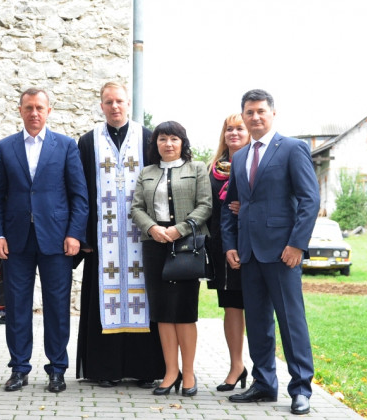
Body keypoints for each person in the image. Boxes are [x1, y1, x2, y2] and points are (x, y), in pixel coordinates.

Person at [221, 89, 319, 415]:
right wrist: (230, 245)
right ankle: (263, 383)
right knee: (258, 322)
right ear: (244, 116)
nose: (255, 117)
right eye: (249, 112)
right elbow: (231, 206)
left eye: (261, 111)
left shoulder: (292, 148)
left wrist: (297, 244)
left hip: (282, 253)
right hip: (248, 254)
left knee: (291, 321)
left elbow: (309, 200)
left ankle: (301, 389)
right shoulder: (239, 158)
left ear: (273, 113)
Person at [0, 88, 89, 393]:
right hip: (15, 240)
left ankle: (57, 369)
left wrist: (74, 233)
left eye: (40, 108)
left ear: (48, 111)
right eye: (29, 107)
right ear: (20, 110)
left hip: (57, 240)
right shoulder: (5, 147)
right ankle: (19, 368)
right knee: (17, 306)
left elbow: (79, 195)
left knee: (57, 307)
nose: (34, 113)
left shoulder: (66, 145)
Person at [75, 81, 164, 388]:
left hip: (142, 236)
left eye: (120, 101)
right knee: (105, 298)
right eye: (109, 102)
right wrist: (85, 237)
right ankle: (105, 369)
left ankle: (145, 369)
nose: (115, 106)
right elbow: (81, 191)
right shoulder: (89, 141)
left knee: (144, 298)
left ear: (128, 103)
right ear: (102, 105)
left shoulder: (148, 137)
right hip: (103, 239)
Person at [131, 121, 212, 397]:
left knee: (184, 311)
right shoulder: (146, 172)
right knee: (162, 311)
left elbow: (205, 205)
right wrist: (152, 228)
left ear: (182, 142)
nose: (168, 144)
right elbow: (137, 208)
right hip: (155, 245)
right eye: (162, 139)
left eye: (174, 139)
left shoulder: (197, 168)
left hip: (187, 244)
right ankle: (170, 372)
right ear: (155, 144)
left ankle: (188, 373)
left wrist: (181, 228)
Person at [206, 114, 249, 391]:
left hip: (253, 244)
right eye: (229, 129)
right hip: (222, 247)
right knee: (231, 307)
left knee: (256, 308)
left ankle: (264, 371)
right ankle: (236, 366)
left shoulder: (257, 162)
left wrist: (247, 207)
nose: (233, 133)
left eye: (239, 128)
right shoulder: (212, 169)